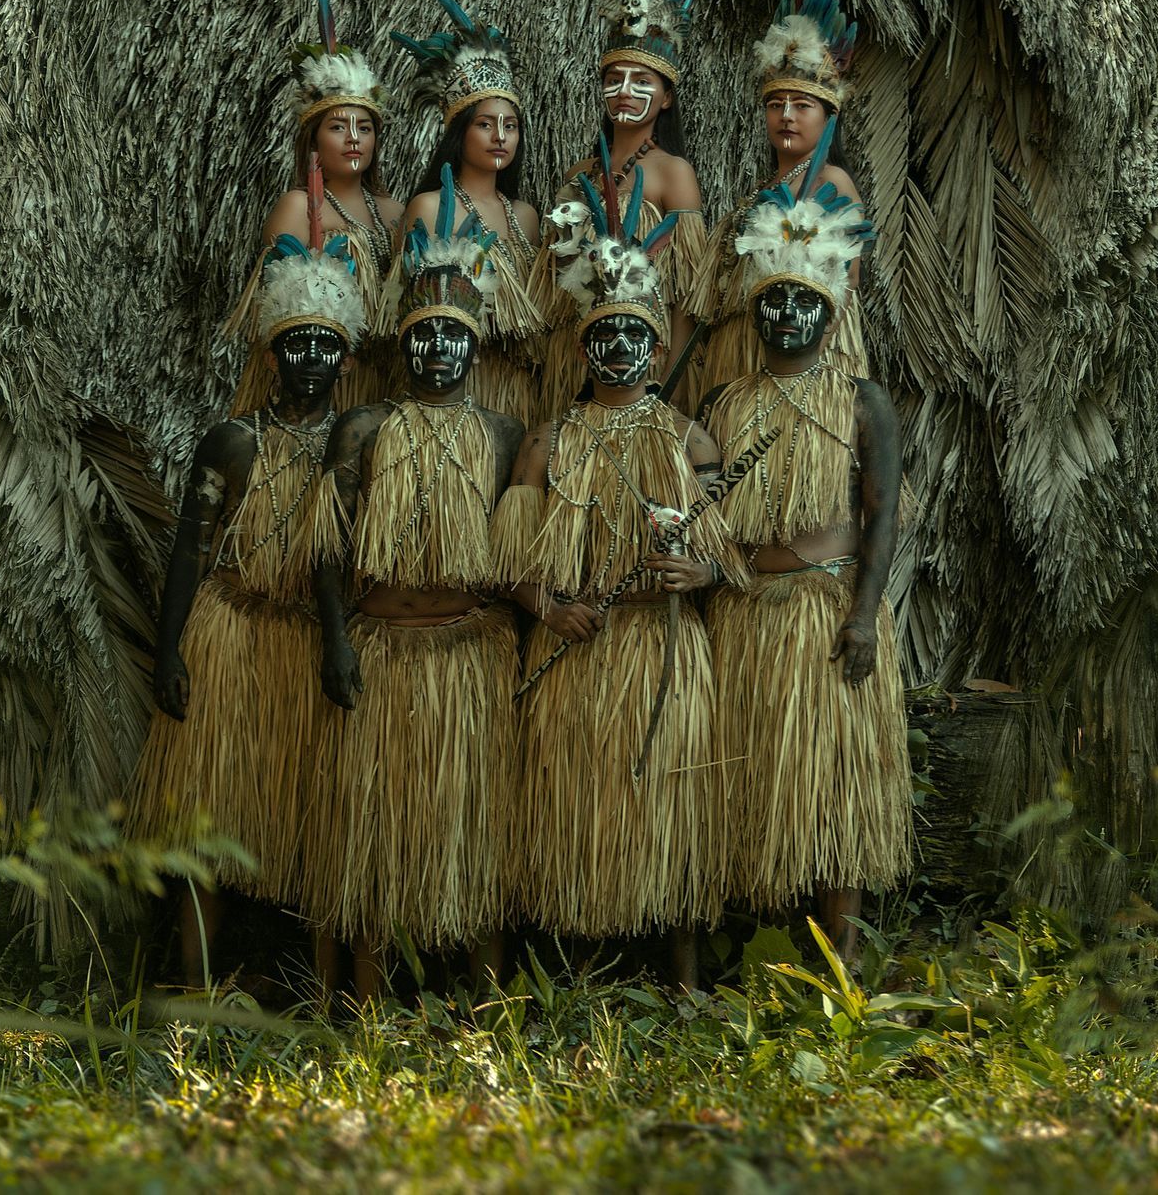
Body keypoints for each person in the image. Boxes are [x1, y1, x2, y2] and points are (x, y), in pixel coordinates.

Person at [494, 184, 743, 988]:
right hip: (578, 649)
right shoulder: (547, 442)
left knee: (666, 803)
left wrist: (699, 570)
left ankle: (682, 976)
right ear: (582, 350)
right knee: (578, 807)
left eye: (636, 335)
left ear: (659, 349)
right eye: (606, 336)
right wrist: (549, 608)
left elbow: (721, 551)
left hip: (657, 647)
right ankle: (581, 974)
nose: (620, 350)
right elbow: (515, 567)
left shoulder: (690, 439)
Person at [303, 174, 527, 1001]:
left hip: (469, 658)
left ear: (475, 346)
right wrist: (333, 641)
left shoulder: (504, 437)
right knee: (372, 829)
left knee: (471, 830)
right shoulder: (363, 429)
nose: (438, 349)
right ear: (403, 344)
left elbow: (516, 562)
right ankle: (365, 1001)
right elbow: (326, 552)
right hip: (380, 649)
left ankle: (488, 998)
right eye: (424, 335)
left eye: (452, 336)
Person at [128, 215, 365, 985]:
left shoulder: (358, 449)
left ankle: (328, 998)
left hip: (307, 641)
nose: (311, 360)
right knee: (210, 823)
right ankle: (196, 986)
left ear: (346, 359)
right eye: (298, 344)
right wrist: (169, 651)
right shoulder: (232, 441)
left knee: (317, 823)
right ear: (271, 353)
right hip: (228, 633)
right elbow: (190, 551)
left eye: (327, 346)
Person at [698, 177, 911, 963]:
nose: (787, 314)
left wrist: (862, 615)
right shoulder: (725, 403)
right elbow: (708, 518)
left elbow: (883, 513)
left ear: (830, 312)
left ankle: (843, 950)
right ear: (754, 312)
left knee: (832, 782)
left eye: (803, 303)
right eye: (773, 302)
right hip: (749, 612)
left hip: (825, 612)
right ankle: (774, 950)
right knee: (760, 781)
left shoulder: (863, 401)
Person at [536, 0, 709, 415]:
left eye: (642, 82)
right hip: (576, 361)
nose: (625, 93)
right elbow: (554, 286)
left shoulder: (673, 175)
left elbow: (686, 301)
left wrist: (675, 390)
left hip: (648, 365)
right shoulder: (579, 174)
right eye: (614, 79)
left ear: (665, 96)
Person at [703, 0, 872, 390]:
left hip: (805, 359)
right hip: (742, 351)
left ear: (828, 116)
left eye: (802, 105)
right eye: (776, 105)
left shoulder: (831, 183)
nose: (786, 116)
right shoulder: (765, 187)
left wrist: (806, 361)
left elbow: (848, 284)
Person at [226, 0, 401, 412]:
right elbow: (279, 308)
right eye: (338, 126)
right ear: (313, 137)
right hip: (315, 380)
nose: (354, 137)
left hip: (382, 381)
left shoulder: (394, 211)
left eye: (364, 127)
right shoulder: (300, 206)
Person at [389, 0, 546, 423]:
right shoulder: (429, 207)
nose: (501, 137)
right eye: (485, 124)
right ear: (460, 132)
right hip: (447, 389)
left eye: (510, 126)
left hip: (515, 391)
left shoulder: (525, 217)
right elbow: (406, 305)